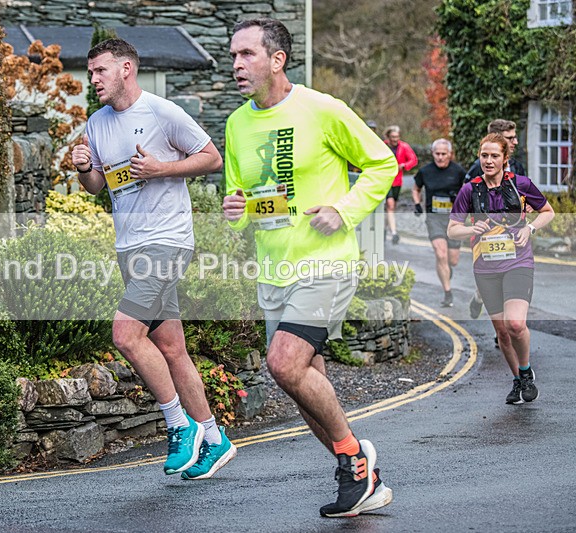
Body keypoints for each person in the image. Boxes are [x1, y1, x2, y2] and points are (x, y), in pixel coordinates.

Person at [223, 18, 396, 517]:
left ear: (277, 59)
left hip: (325, 264)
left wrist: (343, 209)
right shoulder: (236, 125)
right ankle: (361, 476)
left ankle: (355, 459)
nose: (236, 65)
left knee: (283, 362)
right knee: (300, 380)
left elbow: (382, 163)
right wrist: (236, 211)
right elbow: (244, 200)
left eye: (247, 54)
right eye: (233, 56)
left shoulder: (322, 109)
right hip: (273, 272)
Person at [71, 38, 236, 480]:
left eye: (101, 70)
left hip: (167, 241)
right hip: (130, 247)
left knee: (126, 334)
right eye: (91, 72)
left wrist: (163, 168)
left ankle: (179, 425)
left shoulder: (163, 112)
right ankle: (214, 437)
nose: (93, 79)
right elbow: (98, 186)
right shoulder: (97, 123)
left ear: (126, 68)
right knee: (171, 349)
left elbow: (212, 158)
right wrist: (85, 167)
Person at [448, 133, 554, 405]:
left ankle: (526, 371)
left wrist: (529, 229)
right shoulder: (469, 190)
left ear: (505, 159)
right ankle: (518, 380)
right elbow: (452, 230)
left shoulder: (521, 184)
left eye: (495, 156)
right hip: (486, 268)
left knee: (515, 324)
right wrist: (472, 229)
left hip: (518, 262)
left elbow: (548, 212)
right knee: (502, 333)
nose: (488, 160)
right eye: (484, 155)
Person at [465, 119, 527, 322]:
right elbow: (465, 197)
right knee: (493, 280)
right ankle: (479, 297)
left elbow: (523, 195)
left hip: (513, 233)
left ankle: (506, 329)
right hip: (487, 235)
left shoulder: (517, 166)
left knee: (512, 280)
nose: (515, 142)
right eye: (510, 138)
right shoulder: (479, 168)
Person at [412, 138, 466, 307]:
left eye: (444, 154)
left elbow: (468, 191)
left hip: (454, 219)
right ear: (432, 153)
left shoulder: (458, 171)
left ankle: (446, 269)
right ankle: (447, 293)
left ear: (450, 154)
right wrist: (417, 203)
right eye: (437, 154)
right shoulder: (425, 171)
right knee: (440, 253)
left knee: (452, 260)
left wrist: (459, 199)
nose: (440, 157)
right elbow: (416, 188)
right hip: (434, 218)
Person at [383, 125, 418, 244]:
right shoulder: (383, 145)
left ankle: (384, 229)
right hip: (384, 180)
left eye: (397, 137)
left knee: (391, 208)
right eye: (393, 137)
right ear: (388, 136)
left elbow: (413, 160)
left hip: (397, 181)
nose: (395, 139)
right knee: (390, 205)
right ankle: (394, 233)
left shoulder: (404, 146)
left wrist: (404, 165)